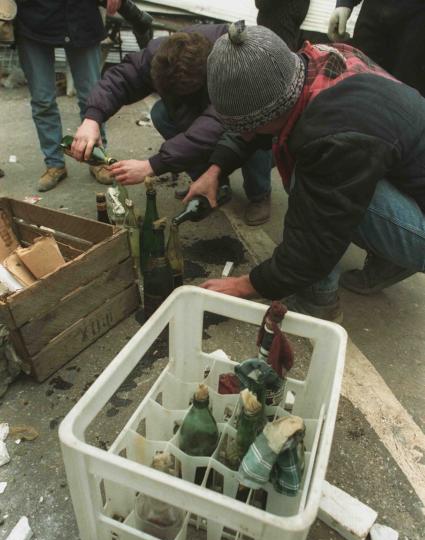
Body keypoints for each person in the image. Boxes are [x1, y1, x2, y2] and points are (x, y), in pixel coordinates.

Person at [183, 22, 425, 322]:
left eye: (245, 126)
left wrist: (247, 285)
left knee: (309, 188)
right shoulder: (315, 63)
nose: (244, 135)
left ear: (270, 112)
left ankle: (317, 300)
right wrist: (216, 169)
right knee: (328, 178)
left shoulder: (333, 136)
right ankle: (393, 259)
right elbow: (256, 122)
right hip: (410, 177)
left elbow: (315, 240)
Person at [70, 25, 273, 226]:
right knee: (161, 113)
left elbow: (212, 125)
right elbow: (123, 77)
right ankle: (211, 183)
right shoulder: (163, 55)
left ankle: (259, 194)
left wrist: (152, 166)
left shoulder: (233, 65)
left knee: (251, 132)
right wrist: (92, 119)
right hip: (200, 94)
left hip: (251, 110)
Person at [15, 0, 121, 192]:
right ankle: (55, 164)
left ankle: (97, 159)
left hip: (80, 15)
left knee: (93, 98)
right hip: (33, 17)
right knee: (42, 100)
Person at [328, 0, 425, 97]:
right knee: (356, 89)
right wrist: (345, 4)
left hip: (417, 28)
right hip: (374, 17)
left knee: (406, 98)